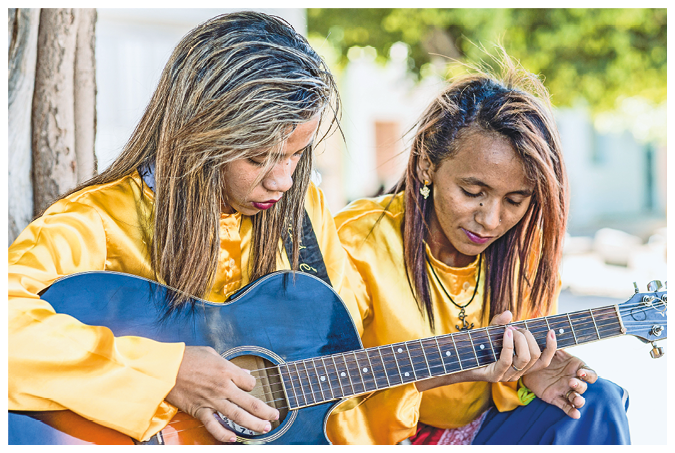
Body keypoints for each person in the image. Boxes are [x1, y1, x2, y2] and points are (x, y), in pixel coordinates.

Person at [8, 11, 360, 444]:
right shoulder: (96, 221)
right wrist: (163, 373)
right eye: (258, 157)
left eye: (296, 154)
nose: (283, 180)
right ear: (201, 137)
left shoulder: (302, 214)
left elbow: (338, 372)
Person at [325, 52, 630, 445]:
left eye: (515, 200)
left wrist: (530, 375)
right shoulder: (356, 242)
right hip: (387, 437)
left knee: (598, 400)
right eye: (472, 192)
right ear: (426, 166)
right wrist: (462, 367)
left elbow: (511, 389)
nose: (490, 219)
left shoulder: (524, 254)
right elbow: (328, 387)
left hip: (481, 430)